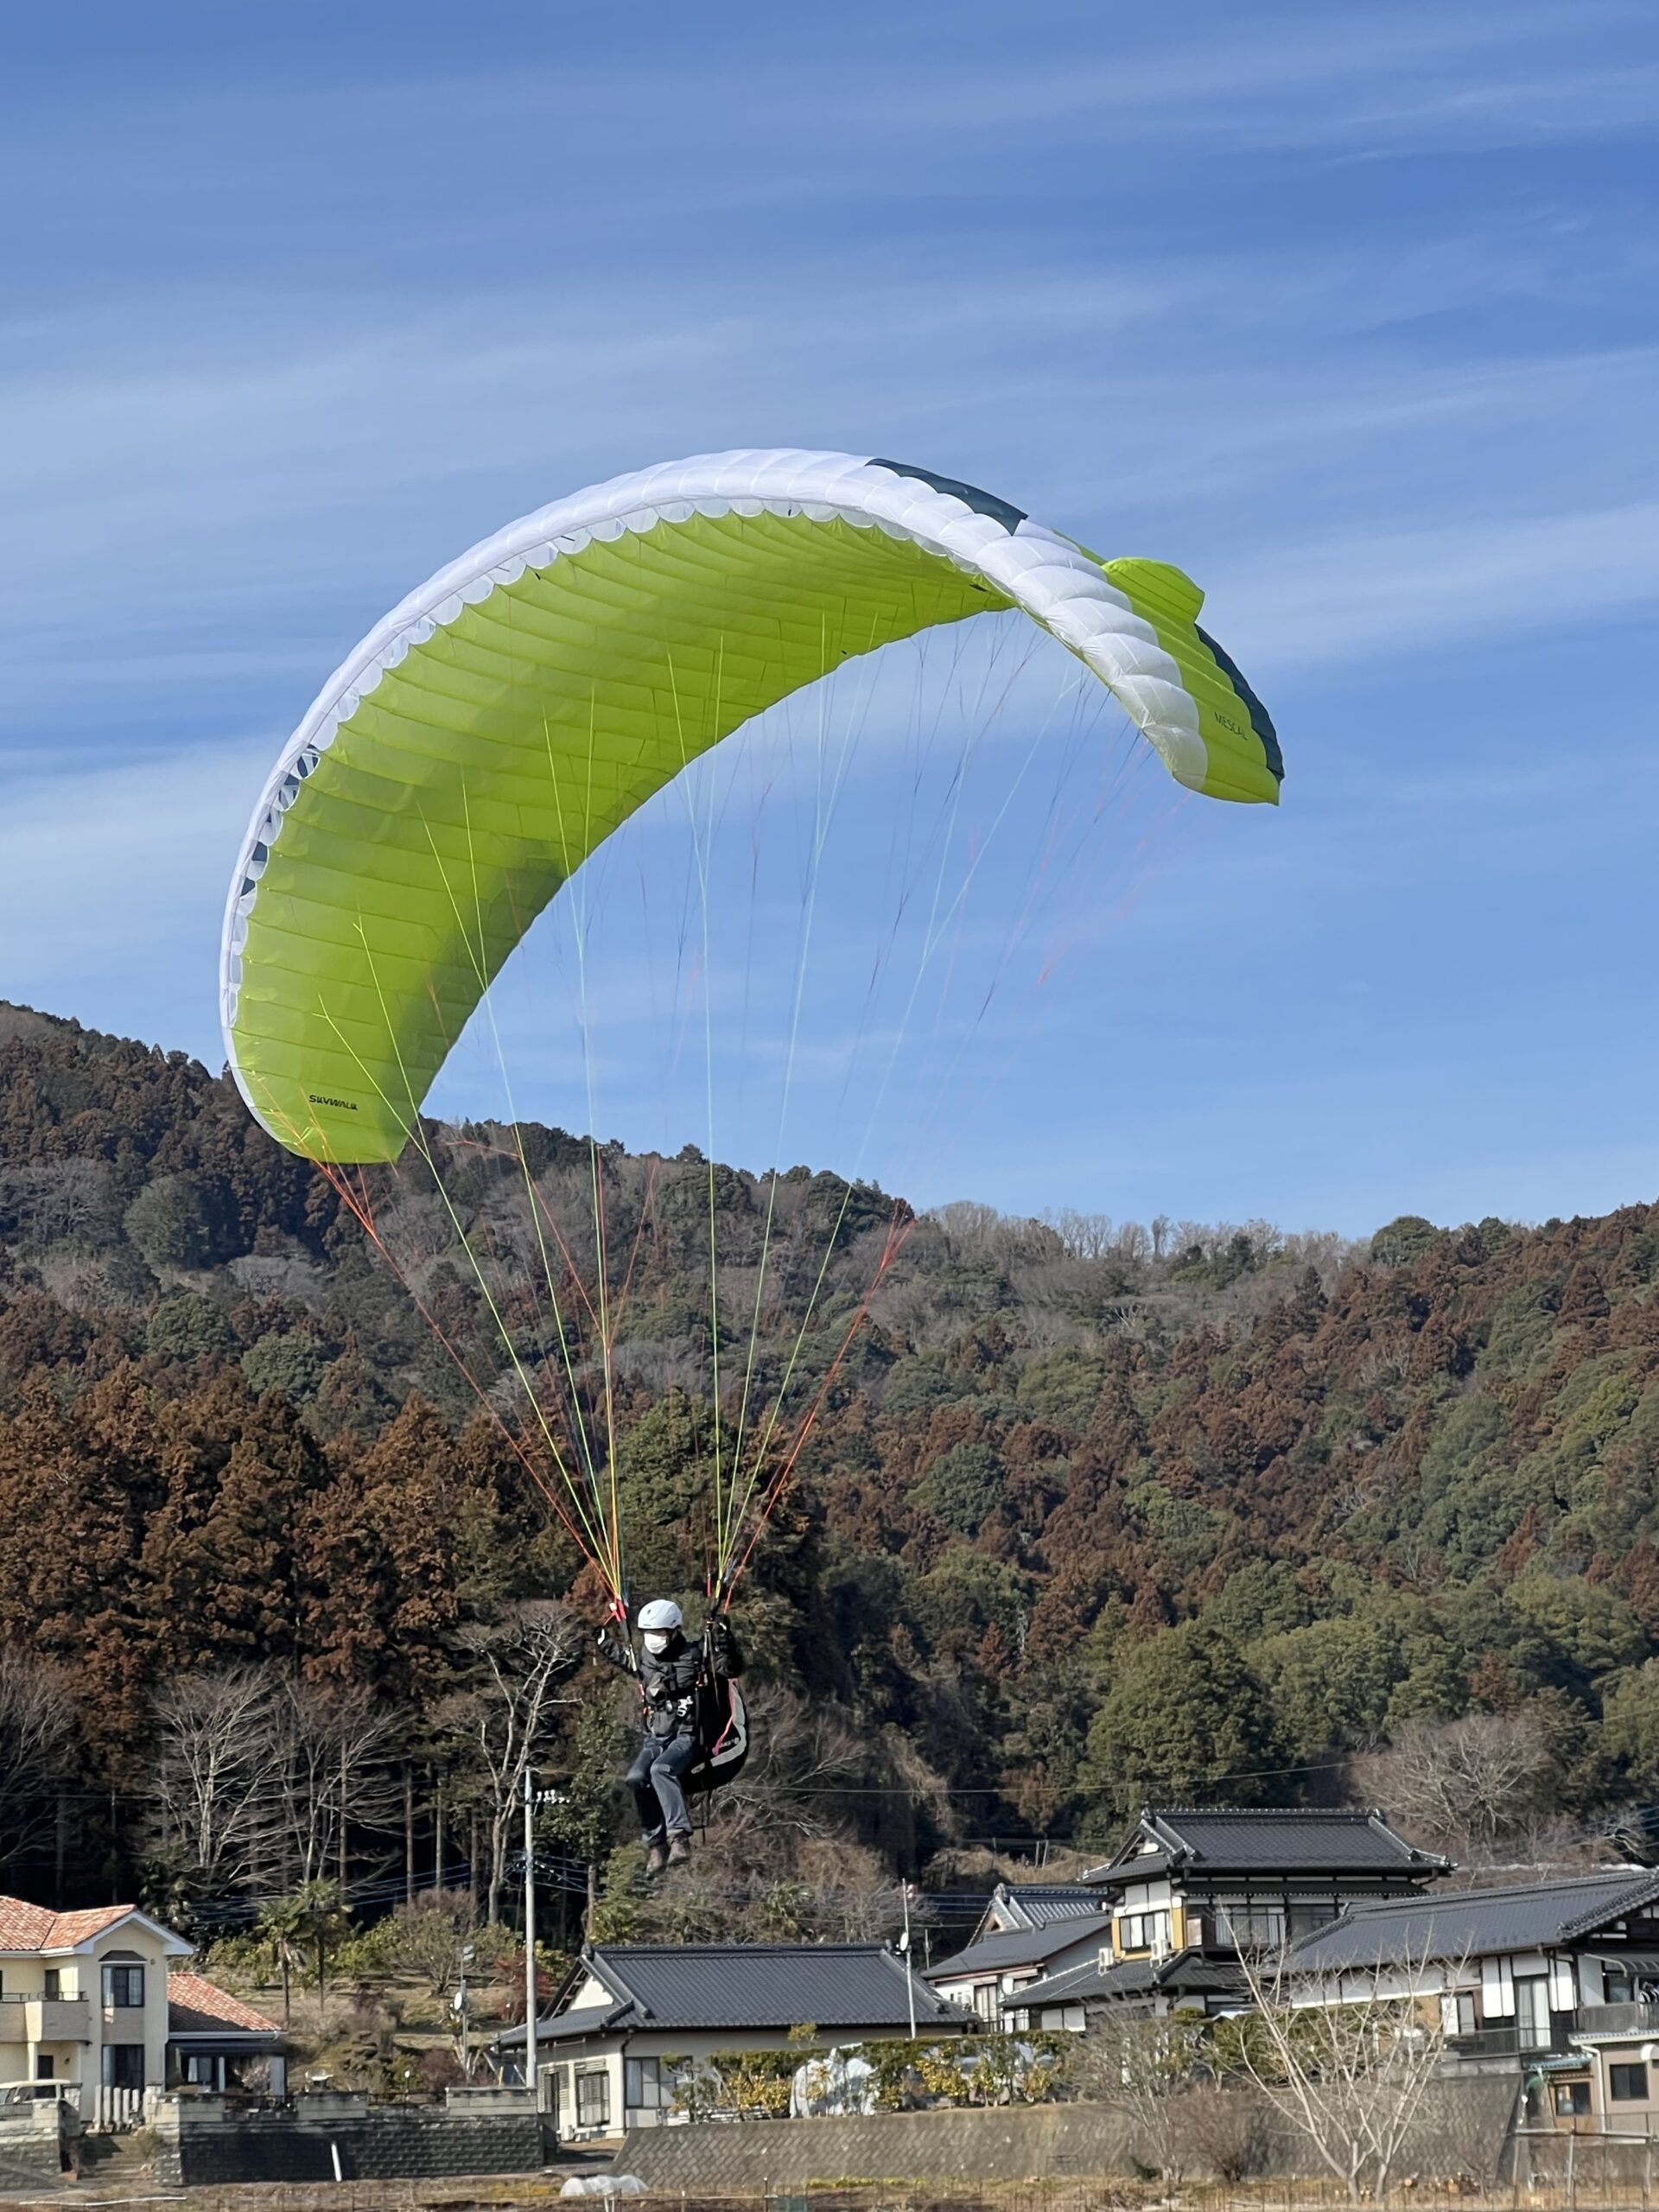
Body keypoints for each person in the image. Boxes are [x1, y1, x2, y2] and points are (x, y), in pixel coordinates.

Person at [601, 1599, 742, 1876]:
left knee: (661, 1769)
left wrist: (725, 1639)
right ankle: (656, 1844)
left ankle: (679, 1838)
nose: (653, 1640)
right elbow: (625, 1659)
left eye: (659, 1633)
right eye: (649, 1634)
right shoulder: (645, 1656)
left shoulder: (695, 1654)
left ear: (674, 1631)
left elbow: (730, 1668)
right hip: (656, 1735)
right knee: (635, 1778)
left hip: (686, 1735)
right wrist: (603, 1641)